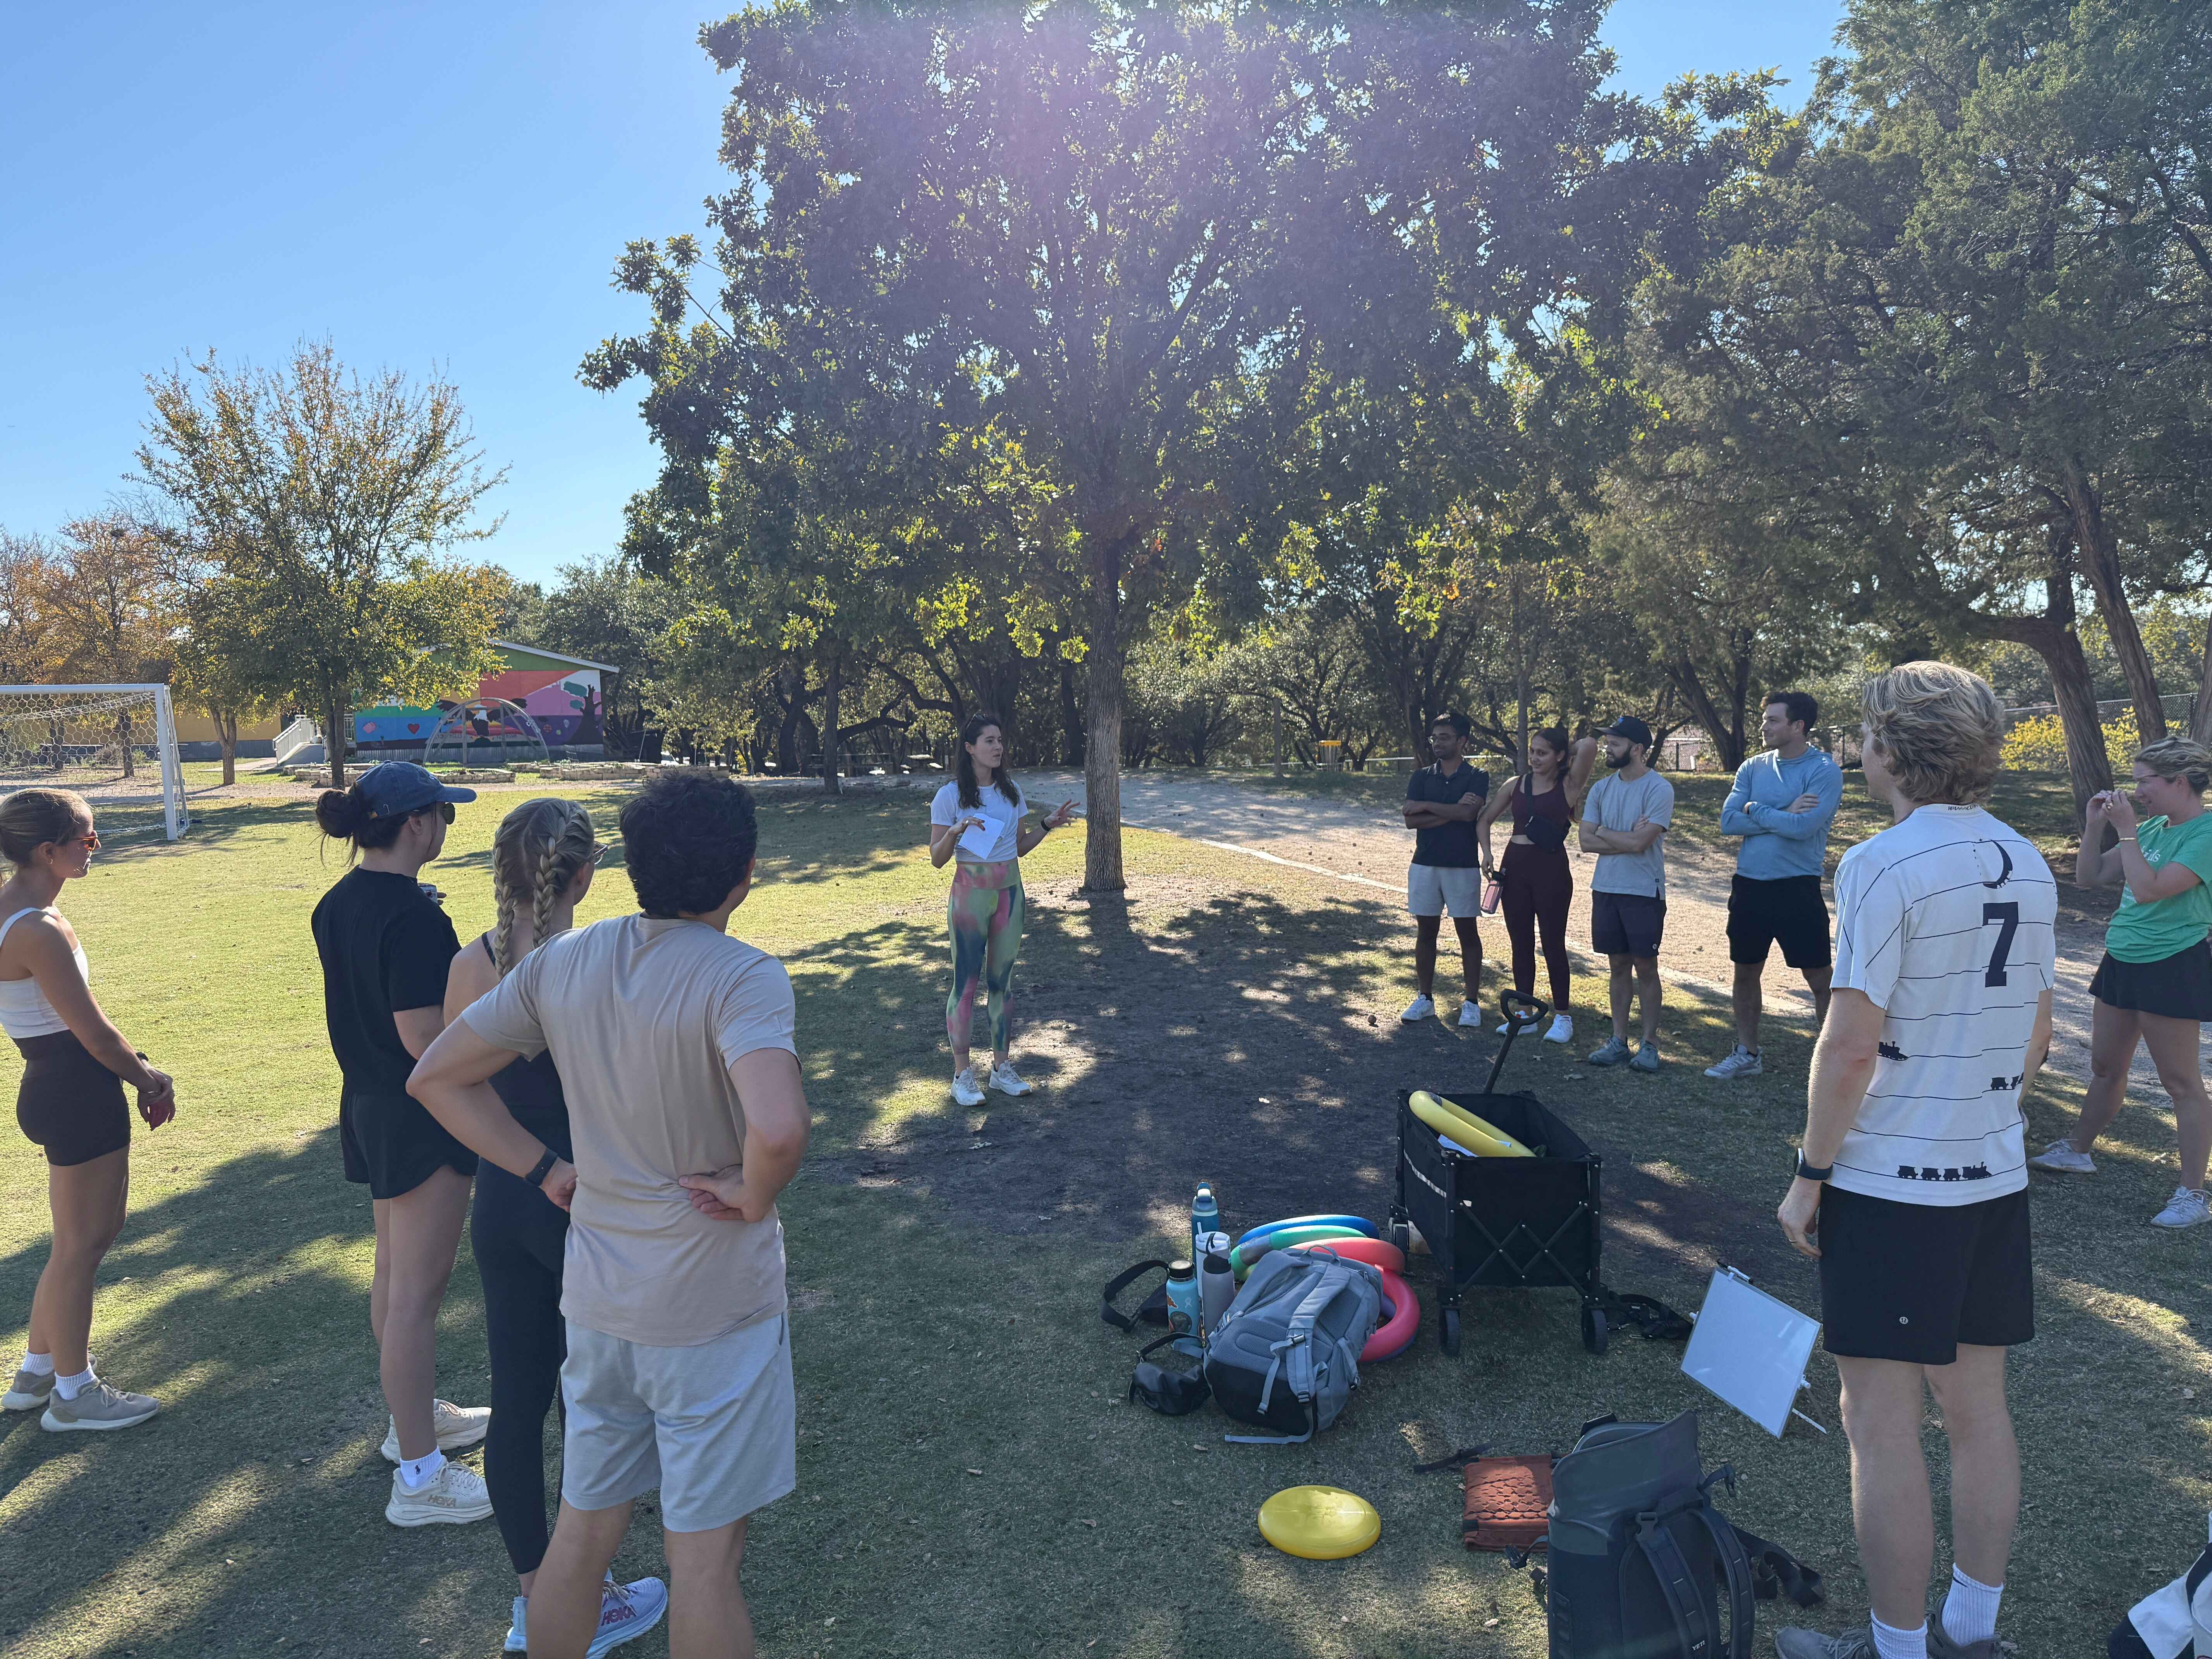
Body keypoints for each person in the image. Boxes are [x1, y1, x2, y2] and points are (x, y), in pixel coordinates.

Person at [408, 768, 809, 1659]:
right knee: (703, 1564)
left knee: (584, 1534)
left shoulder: (563, 962)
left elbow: (434, 1074)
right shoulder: (742, 977)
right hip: (710, 1314)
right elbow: (778, 1128)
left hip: (601, 1310)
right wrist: (754, 1188)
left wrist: (541, 1168)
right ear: (745, 870)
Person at [1774, 661, 2057, 1659]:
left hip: (1895, 1185)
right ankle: (1969, 1634)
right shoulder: (2028, 857)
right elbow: (2035, 1033)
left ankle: (1900, 1651)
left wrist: (1810, 1173)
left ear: (1891, 747)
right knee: (1978, 1414)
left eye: (1865, 734)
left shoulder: (1882, 862)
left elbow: (1850, 1045)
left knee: (1880, 1420)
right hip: (1992, 1177)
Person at [443, 799, 668, 1655]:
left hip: (502, 1205)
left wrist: (523, 1166)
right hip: (583, 1203)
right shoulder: (597, 964)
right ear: (584, 874)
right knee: (595, 1407)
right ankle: (582, 1599)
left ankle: (540, 1599)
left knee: (517, 1401)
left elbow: (448, 1089)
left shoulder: (472, 966)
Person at [309, 760, 492, 1526]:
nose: (449, 826)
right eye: (444, 815)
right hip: (418, 1115)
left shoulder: (340, 901)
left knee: (395, 1277)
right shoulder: (416, 918)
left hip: (370, 1105)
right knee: (416, 1295)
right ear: (416, 822)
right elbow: (425, 1036)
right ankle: (420, 1476)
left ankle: (412, 1421)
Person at [0, 788, 175, 1432]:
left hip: (55, 1083)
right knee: (86, 1243)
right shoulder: (36, 927)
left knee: (73, 1241)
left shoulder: (19, 908)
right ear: (48, 850)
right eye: (89, 839)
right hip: (76, 1088)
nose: (94, 849)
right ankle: (74, 1394)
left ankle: (38, 1370)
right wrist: (150, 1077)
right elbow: (96, 1036)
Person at [2029, 737, 2212, 1228]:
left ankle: (2193, 1194)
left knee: (2181, 1083)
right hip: (2123, 958)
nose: (2137, 791)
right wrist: (2094, 828)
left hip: (2172, 963)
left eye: (2145, 781)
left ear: (2179, 782)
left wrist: (2127, 831)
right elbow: (2090, 878)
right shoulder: (2151, 828)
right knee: (2106, 1066)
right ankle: (2079, 1150)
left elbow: (2151, 891)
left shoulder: (2207, 834)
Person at [926, 713, 1075, 1106]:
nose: (997, 747)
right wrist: (956, 832)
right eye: (989, 741)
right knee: (966, 985)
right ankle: (962, 1075)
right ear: (970, 747)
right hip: (970, 897)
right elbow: (937, 859)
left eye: (1000, 740)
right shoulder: (950, 796)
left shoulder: (1012, 793)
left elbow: (1019, 847)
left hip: (1010, 894)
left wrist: (1046, 824)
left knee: (1002, 984)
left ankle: (1001, 1069)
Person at [1710, 690, 1845, 1079]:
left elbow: (1804, 829)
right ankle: (1747, 1054)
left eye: (1773, 720)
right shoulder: (1752, 767)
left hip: (1797, 889)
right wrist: (1781, 812)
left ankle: (1832, 1066)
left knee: (1820, 978)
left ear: (1798, 726)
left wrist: (1757, 809)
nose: (1764, 726)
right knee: (1746, 971)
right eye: (1764, 718)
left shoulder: (1823, 770)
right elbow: (1728, 822)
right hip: (1750, 887)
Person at [1477, 726, 1596, 1043]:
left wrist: (1566, 749)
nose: (1534, 758)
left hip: (1552, 871)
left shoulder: (1568, 785)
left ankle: (1563, 1016)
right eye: (1532, 751)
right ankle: (1525, 1014)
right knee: (1521, 943)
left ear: (1560, 757)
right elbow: (1484, 819)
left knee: (1553, 943)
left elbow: (1589, 745)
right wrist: (1487, 853)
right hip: (1514, 869)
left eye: (1543, 753)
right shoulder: (1516, 784)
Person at [1578, 716, 1673, 1071]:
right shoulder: (1602, 788)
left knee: (1646, 967)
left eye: (1615, 743)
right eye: (1608, 742)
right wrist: (1620, 837)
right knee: (1617, 965)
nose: (1608, 748)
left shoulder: (1659, 789)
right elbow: (1586, 841)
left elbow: (1642, 843)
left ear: (1637, 749)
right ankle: (1618, 1040)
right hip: (1606, 889)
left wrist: (1606, 833)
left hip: (1643, 892)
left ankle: (1649, 1044)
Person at [1400, 711, 1490, 1027]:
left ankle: (1472, 1003)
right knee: (1426, 932)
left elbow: (1470, 816)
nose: (1438, 742)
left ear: (1463, 741)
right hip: (1424, 863)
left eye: (1446, 737)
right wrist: (1454, 812)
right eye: (1435, 737)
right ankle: (1425, 998)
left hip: (1462, 866)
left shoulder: (1478, 776)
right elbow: (1411, 821)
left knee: (1468, 934)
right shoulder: (1421, 776)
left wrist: (1427, 806)